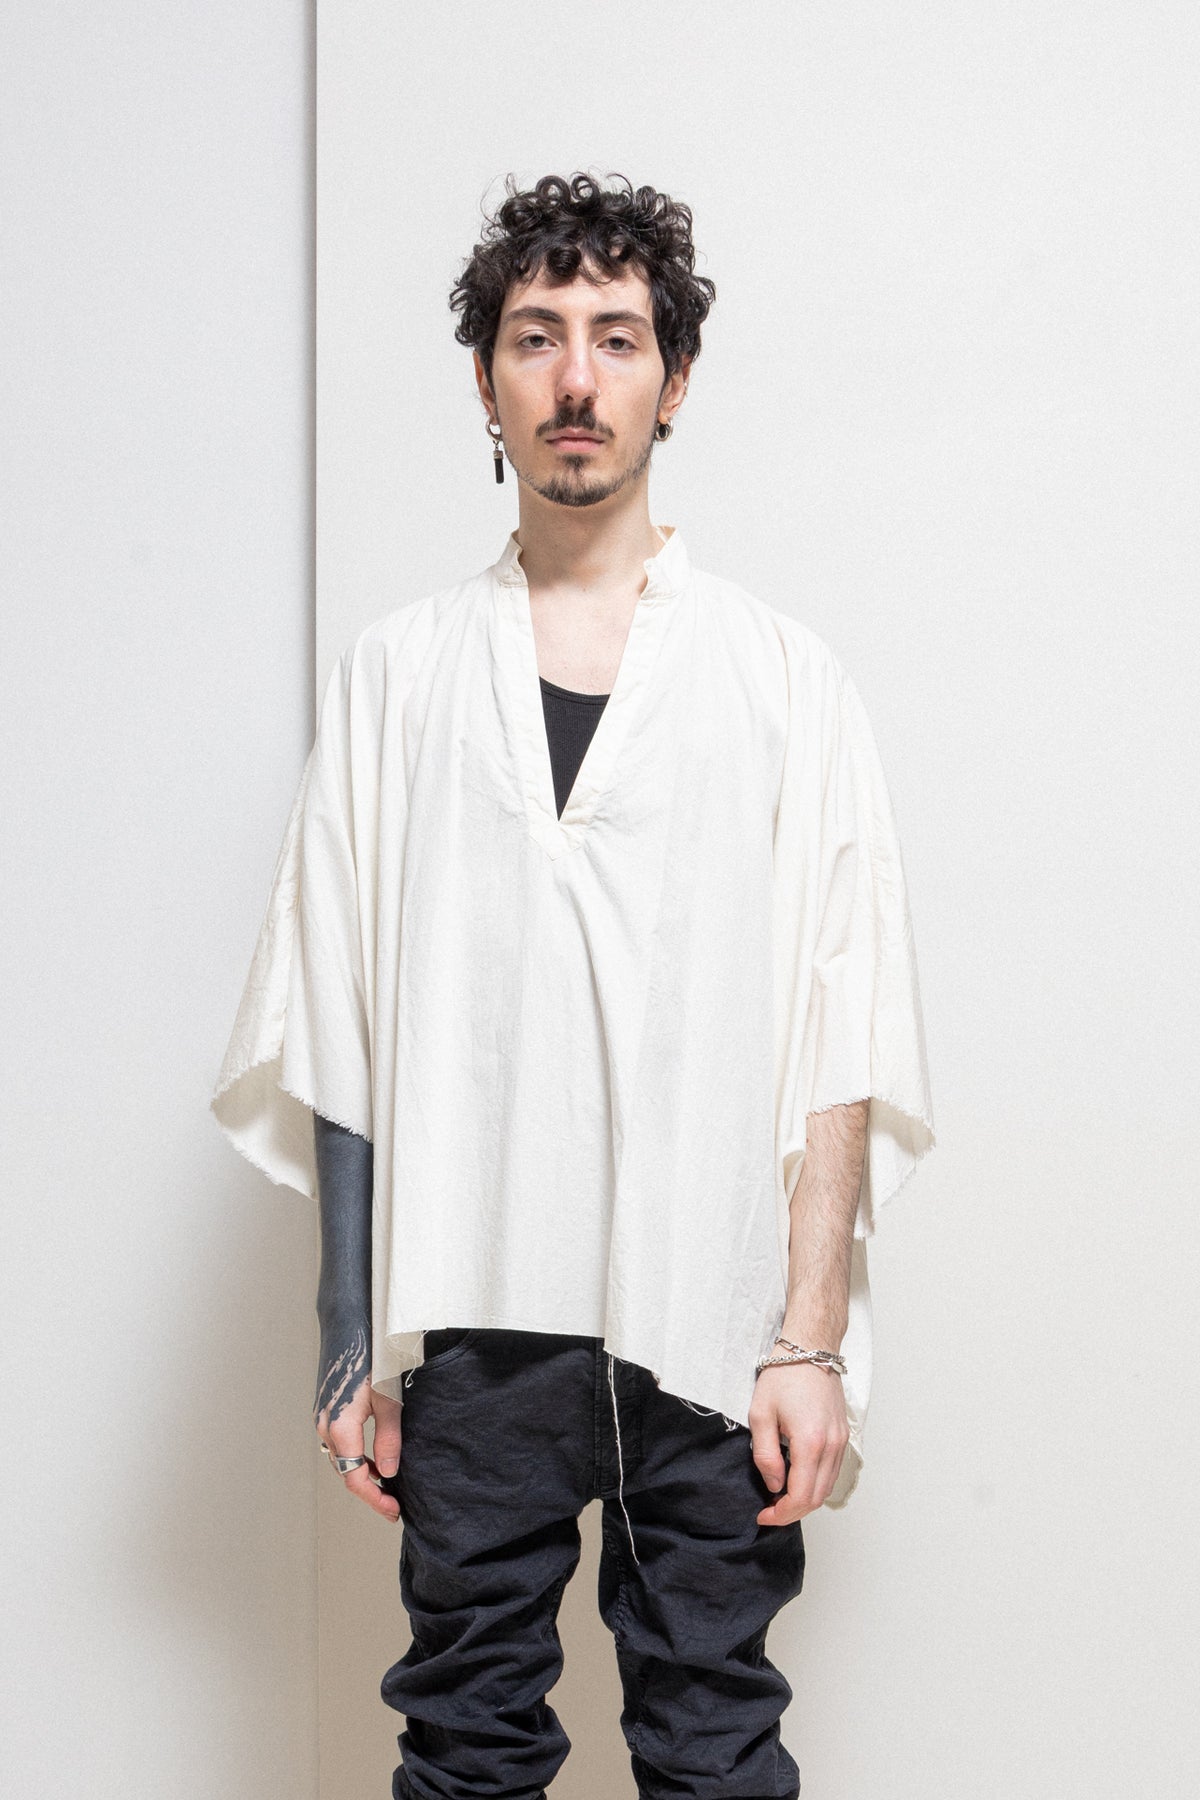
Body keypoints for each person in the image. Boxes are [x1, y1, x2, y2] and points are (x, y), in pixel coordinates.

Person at [211, 171, 936, 1800]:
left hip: (714, 1311)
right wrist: (348, 1341)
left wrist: (809, 1342)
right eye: (536, 338)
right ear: (487, 383)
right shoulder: (399, 676)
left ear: (674, 380)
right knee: (465, 1747)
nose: (577, 377)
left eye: (617, 337)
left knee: (714, 1744)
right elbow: (340, 1007)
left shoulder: (781, 677)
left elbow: (843, 1019)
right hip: (482, 1310)